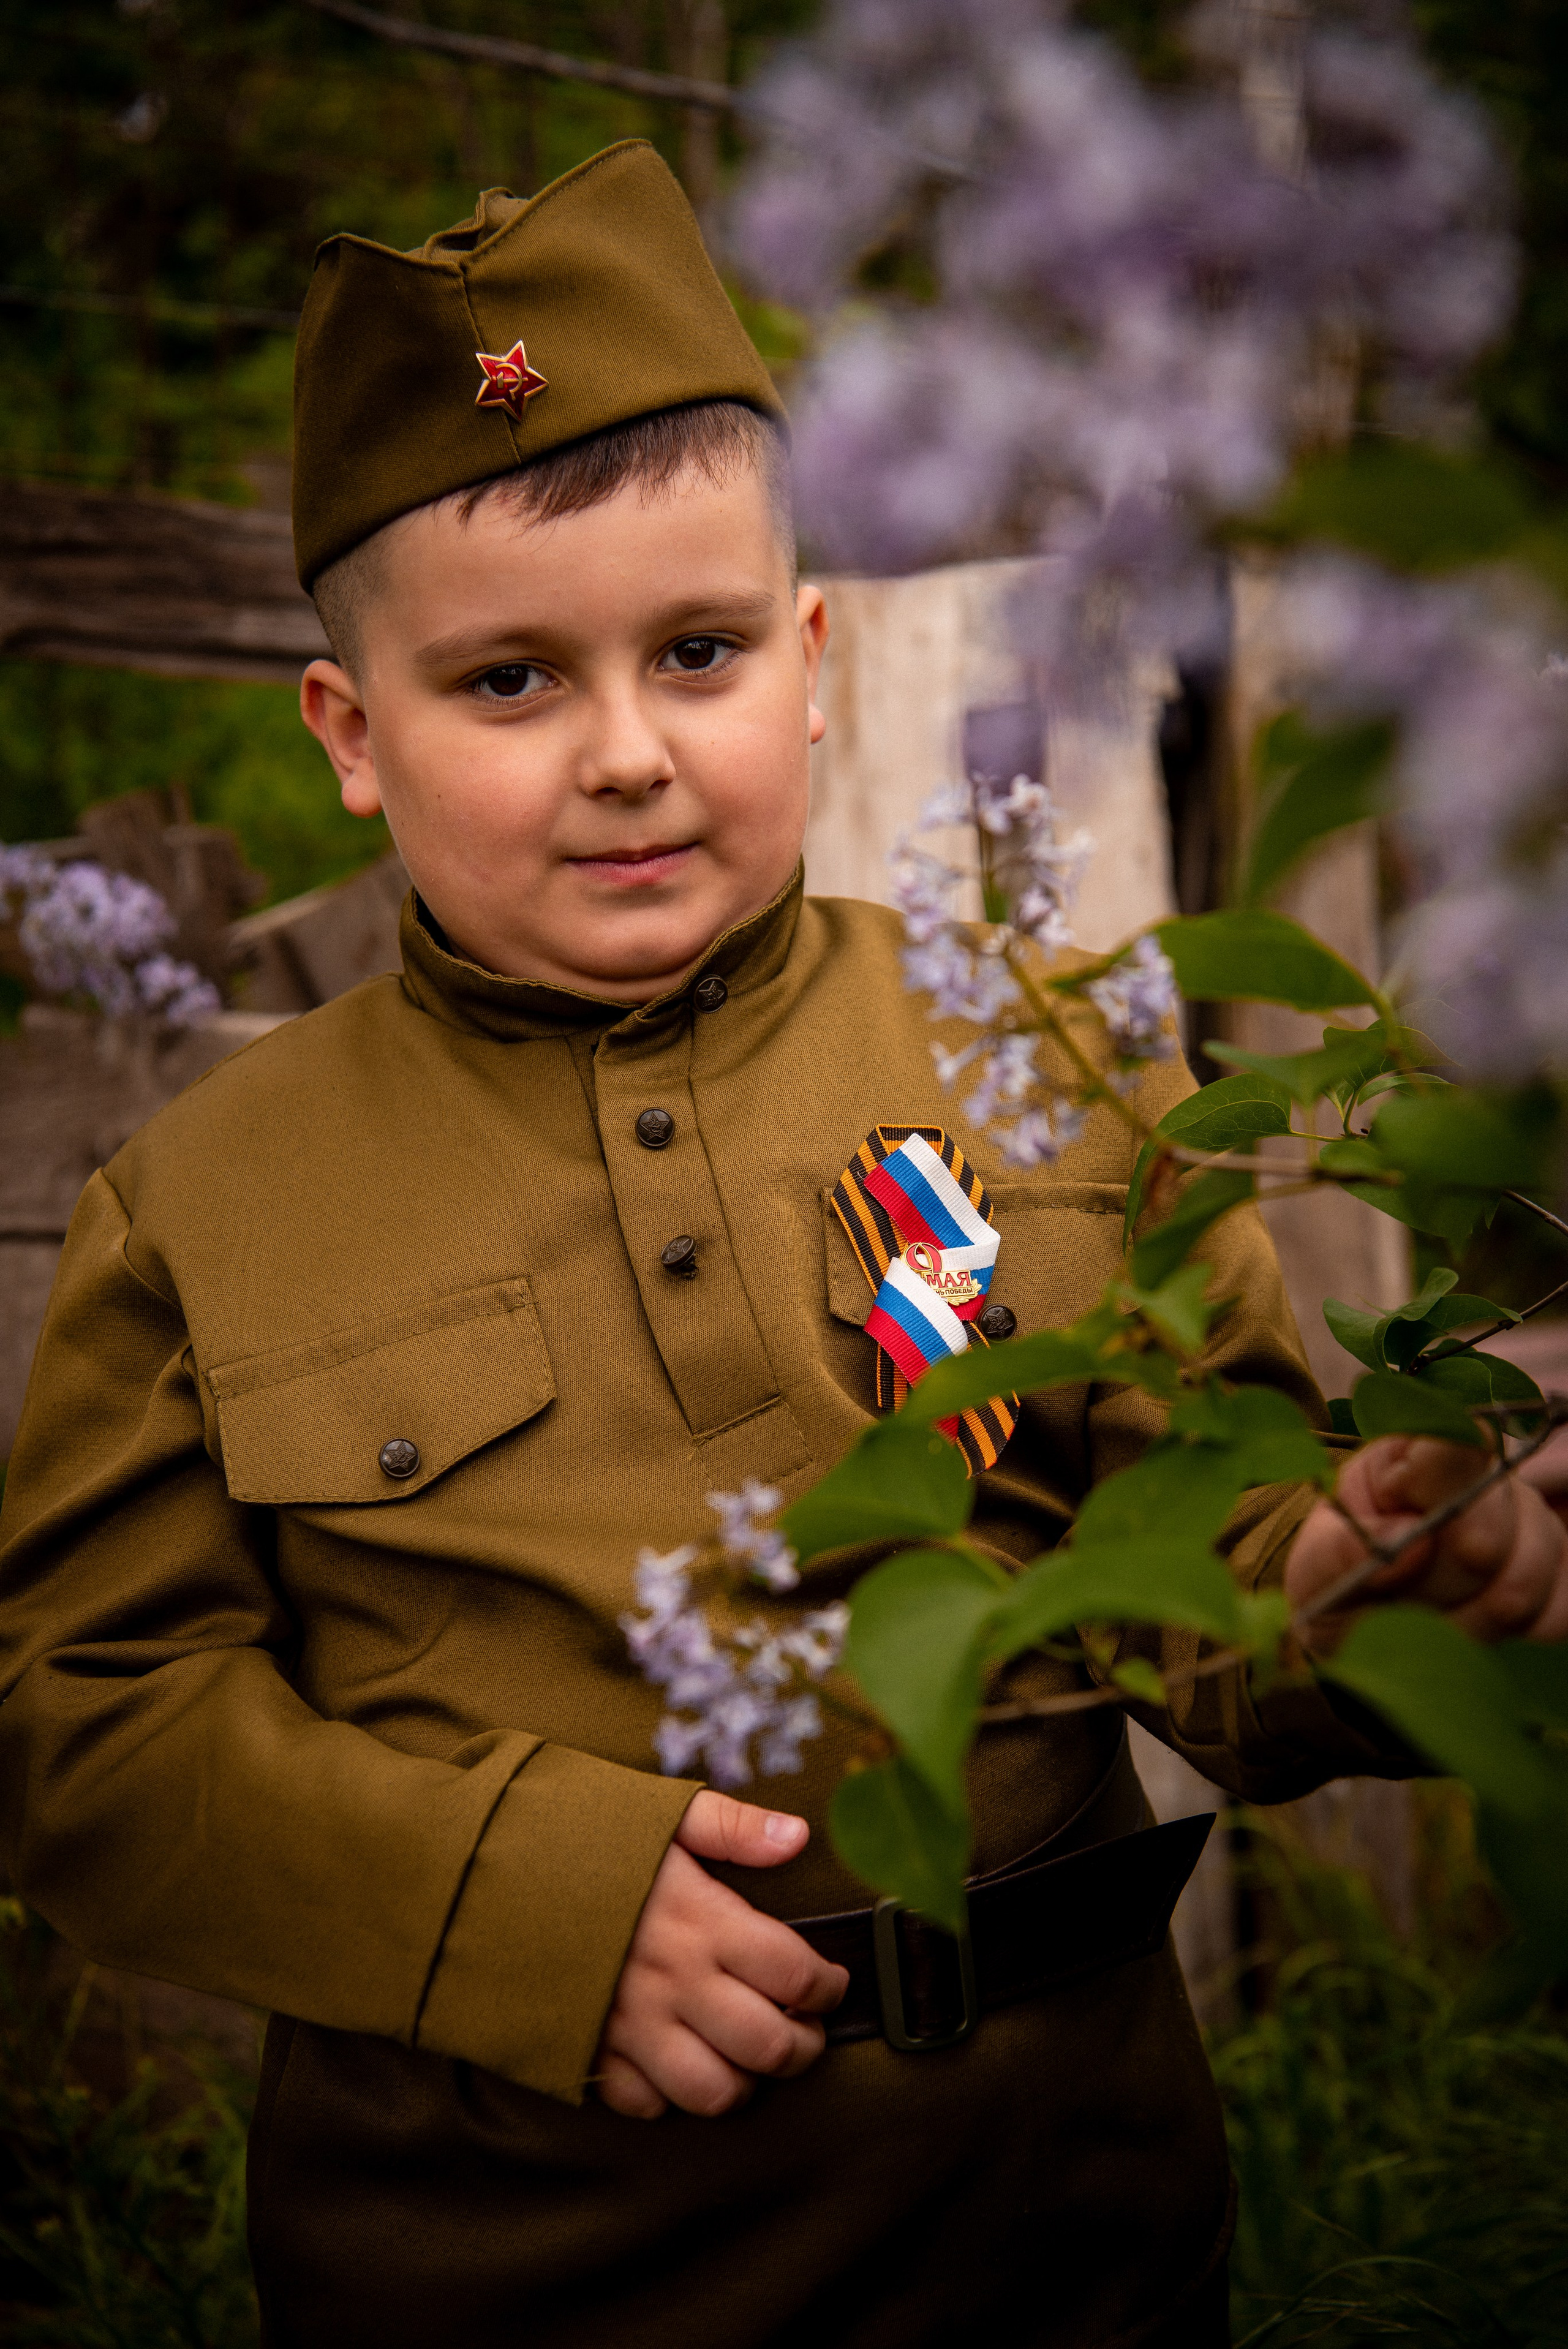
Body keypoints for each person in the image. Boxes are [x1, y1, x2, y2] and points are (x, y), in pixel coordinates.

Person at [1, 140, 1562, 2349]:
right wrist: (502, 1900)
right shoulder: (207, 1202)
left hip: (1068, 2242)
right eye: (510, 682)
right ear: (352, 734)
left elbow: (1211, 1563)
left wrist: (1360, 1573)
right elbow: (83, 1728)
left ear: (810, 658)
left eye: (700, 649)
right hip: (505, 2275)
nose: (630, 754)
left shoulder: (1032, 1048)